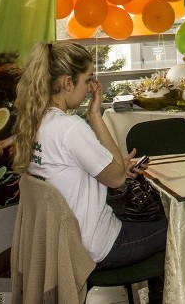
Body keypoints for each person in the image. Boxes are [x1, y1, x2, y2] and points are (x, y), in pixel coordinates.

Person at [12, 41, 166, 302]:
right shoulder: (70, 128)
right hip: (97, 247)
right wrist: (95, 115)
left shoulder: (34, 123)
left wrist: (115, 166)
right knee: (177, 226)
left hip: (63, 244)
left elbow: (91, 170)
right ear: (67, 82)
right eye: (87, 80)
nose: (89, 88)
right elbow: (117, 178)